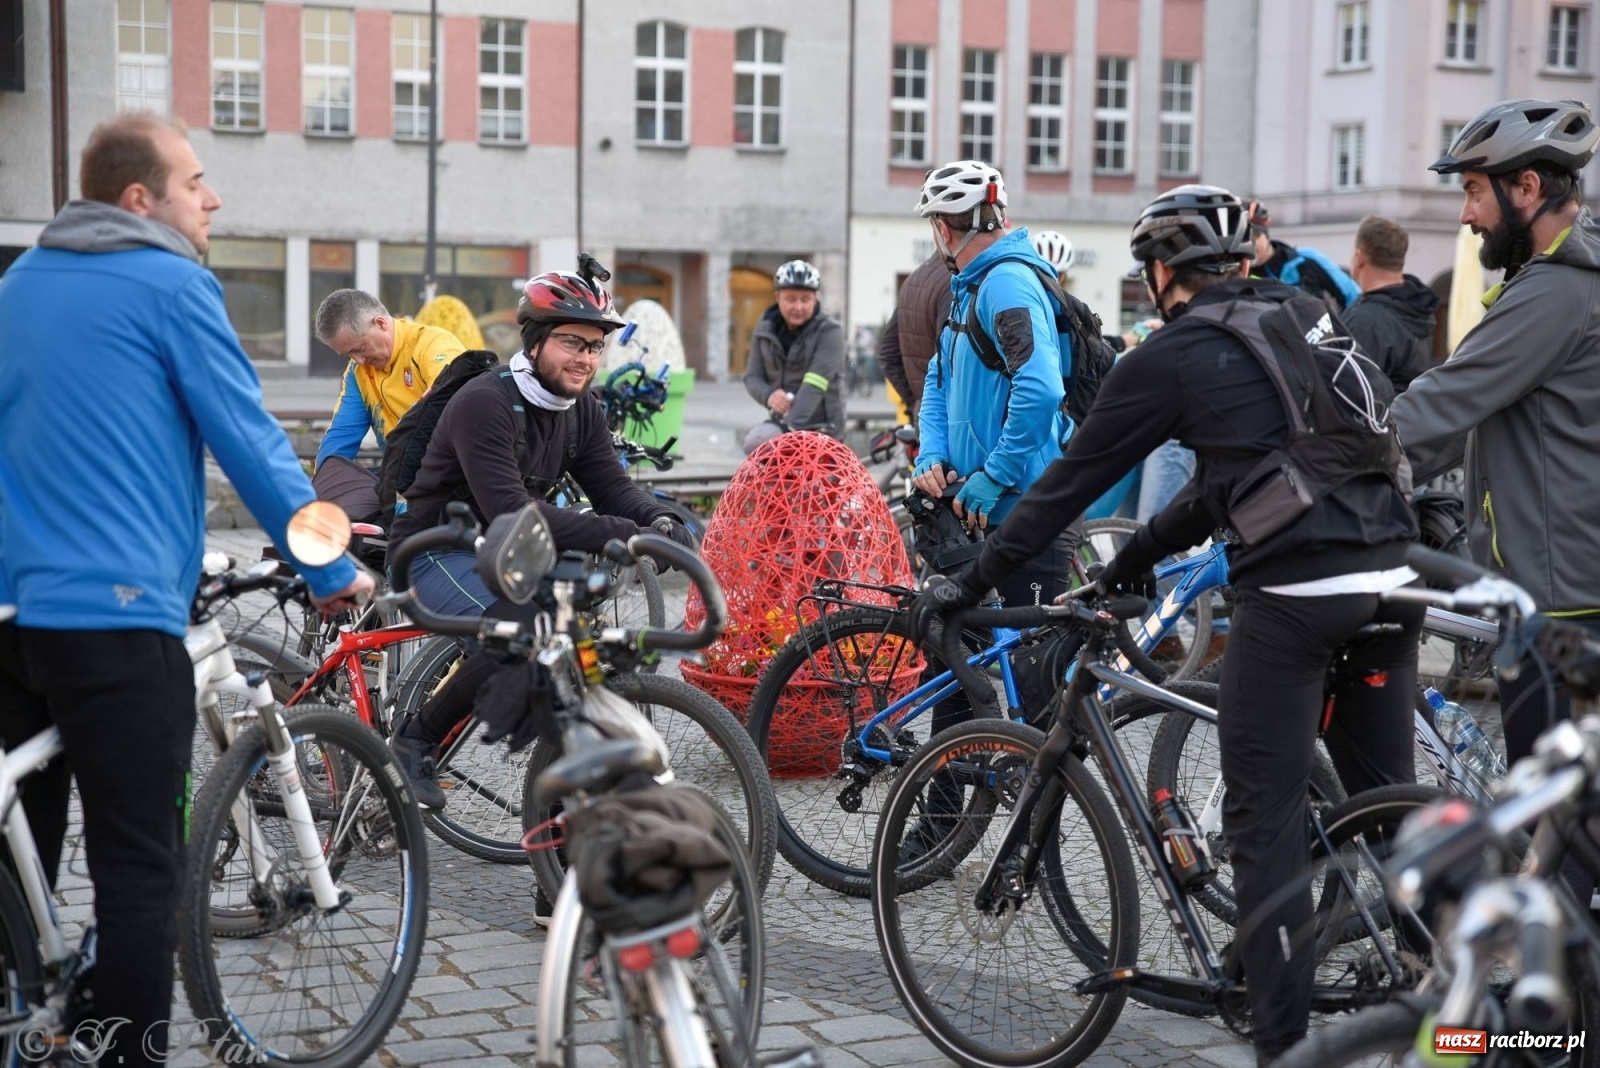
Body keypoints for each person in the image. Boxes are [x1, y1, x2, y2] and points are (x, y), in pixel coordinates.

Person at [911, 184, 1421, 1065]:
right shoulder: (1304, 312)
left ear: (1158, 273)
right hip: (1397, 580)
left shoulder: (1175, 354)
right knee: (1391, 817)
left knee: (1258, 824)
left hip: (1300, 598)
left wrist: (971, 583)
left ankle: (1284, 1040)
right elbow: (1242, 475)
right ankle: (1446, 984)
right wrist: (1135, 554)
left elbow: (1067, 482)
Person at [0, 112, 372, 1067]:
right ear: (141, 200)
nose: (212, 197)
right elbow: (250, 445)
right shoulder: (172, 283)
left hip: (11, 616)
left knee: (20, 861)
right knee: (137, 865)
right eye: (195, 181)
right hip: (117, 621)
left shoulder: (18, 286)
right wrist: (330, 565)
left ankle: (30, 1017)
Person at [387, 267, 697, 809]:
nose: (584, 358)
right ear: (535, 342)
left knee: (569, 644)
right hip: (437, 548)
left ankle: (557, 855)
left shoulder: (581, 410)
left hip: (511, 550)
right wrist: (623, 532)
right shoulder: (485, 404)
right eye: (571, 342)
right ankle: (416, 739)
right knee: (522, 631)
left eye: (595, 346)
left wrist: (663, 521)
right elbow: (512, 509)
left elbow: (614, 490)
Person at [1391, 97, 1600, 768]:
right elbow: (1480, 413)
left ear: (1528, 188)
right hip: (1573, 582)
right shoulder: (1572, 283)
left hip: (1554, 602)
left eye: (1475, 190)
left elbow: (1444, 401)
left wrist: (1325, 470)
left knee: (1552, 833)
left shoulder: (1555, 294)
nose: (1466, 213)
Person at [910, 159, 1081, 598]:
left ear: (944, 231)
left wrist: (997, 474)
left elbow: (1041, 389)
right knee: (967, 656)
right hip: (987, 514)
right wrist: (932, 452)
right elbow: (937, 378)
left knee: (1030, 664)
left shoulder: (1007, 284)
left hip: (1027, 512)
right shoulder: (969, 286)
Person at [314, 288, 464, 469]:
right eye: (348, 355)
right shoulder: (357, 371)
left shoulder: (434, 344)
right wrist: (325, 483)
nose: (359, 361)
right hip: (402, 477)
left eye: (360, 348)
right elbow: (342, 435)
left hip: (452, 473)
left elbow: (446, 396)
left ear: (380, 323)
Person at [741, 259, 846, 454]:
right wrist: (769, 395)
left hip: (823, 430)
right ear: (777, 297)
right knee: (756, 448)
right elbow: (752, 377)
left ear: (815, 298)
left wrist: (786, 435)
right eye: (791, 299)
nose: (798, 306)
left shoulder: (831, 332)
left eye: (805, 299)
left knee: (759, 444)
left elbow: (815, 385)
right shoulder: (765, 329)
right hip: (781, 422)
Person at [1343, 215, 1441, 392]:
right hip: (1411, 415)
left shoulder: (1366, 321)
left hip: (1382, 417)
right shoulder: (1418, 308)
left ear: (1360, 257)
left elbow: (1350, 393)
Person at [1246, 199, 1362, 310]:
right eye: (1244, 239)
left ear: (1266, 234)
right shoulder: (1242, 276)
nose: (1250, 245)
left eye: (1256, 236)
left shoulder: (1306, 259)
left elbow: (1352, 295)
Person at [877, 253, 951, 422]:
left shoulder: (913, 279)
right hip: (949, 424)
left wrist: (915, 402)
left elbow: (887, 353)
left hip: (924, 419)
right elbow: (946, 364)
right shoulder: (956, 280)